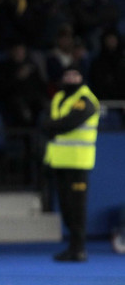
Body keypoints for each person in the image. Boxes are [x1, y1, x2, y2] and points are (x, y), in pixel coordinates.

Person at [42, 66, 99, 262]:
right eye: (67, 75)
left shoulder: (86, 100)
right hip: (59, 160)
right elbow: (50, 121)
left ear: (82, 77)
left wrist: (50, 126)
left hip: (78, 161)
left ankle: (79, 249)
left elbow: (68, 123)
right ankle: (73, 247)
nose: (71, 78)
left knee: (77, 208)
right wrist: (51, 125)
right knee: (66, 207)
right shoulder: (59, 97)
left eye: (75, 74)